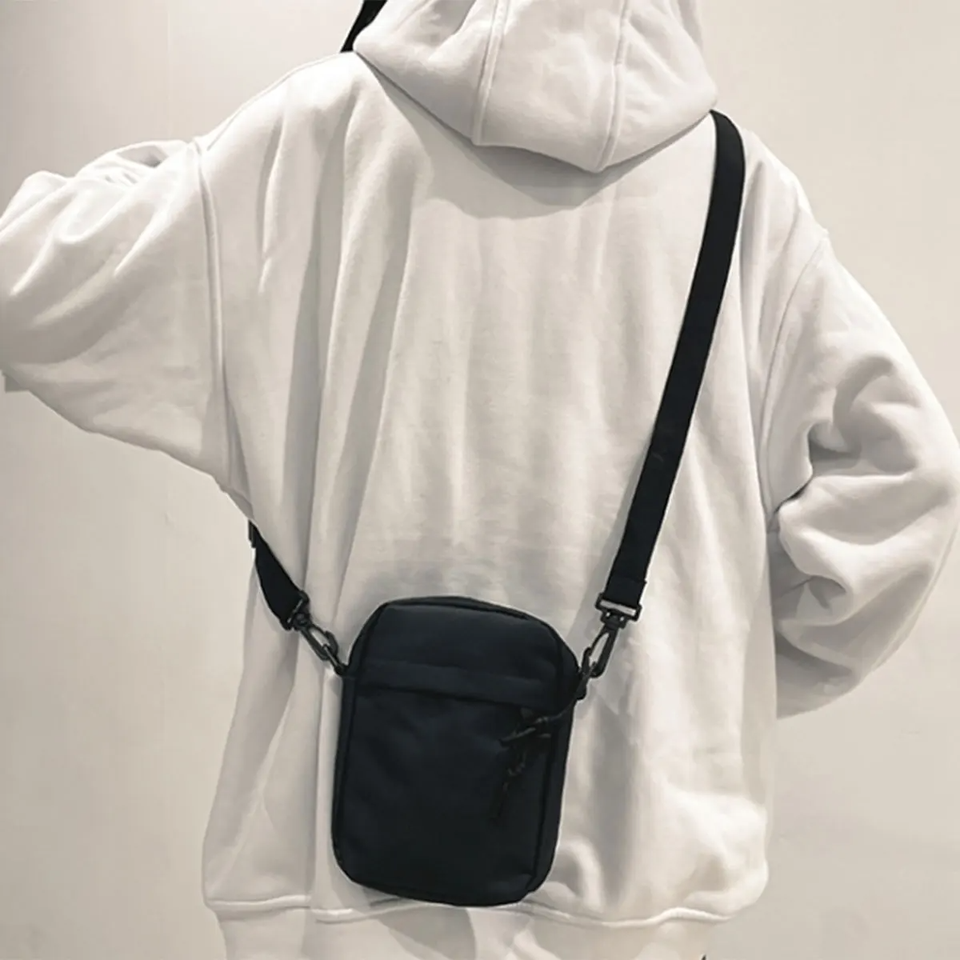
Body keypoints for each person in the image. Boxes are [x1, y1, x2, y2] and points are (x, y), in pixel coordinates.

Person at [1, 1, 958, 958]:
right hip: (635, 898)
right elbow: (907, 483)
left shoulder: (315, 135)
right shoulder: (743, 200)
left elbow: (28, 285)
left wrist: (194, 182)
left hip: (328, 893)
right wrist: (722, 668)